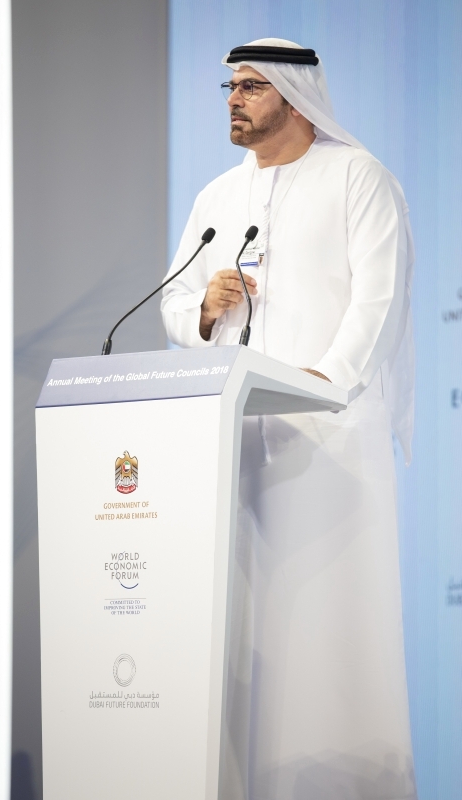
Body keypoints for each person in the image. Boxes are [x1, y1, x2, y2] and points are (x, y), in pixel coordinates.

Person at [162, 38, 416, 800]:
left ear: (293, 94)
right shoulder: (215, 198)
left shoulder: (358, 178)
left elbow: (378, 300)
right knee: (243, 637)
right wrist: (201, 312)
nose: (233, 100)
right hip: (235, 452)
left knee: (330, 637)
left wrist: (322, 383)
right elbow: (173, 302)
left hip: (330, 444)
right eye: (229, 88)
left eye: (250, 86)